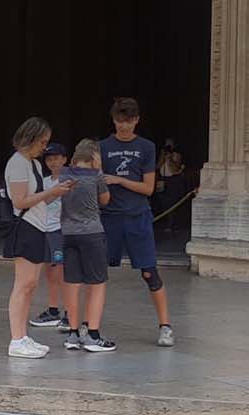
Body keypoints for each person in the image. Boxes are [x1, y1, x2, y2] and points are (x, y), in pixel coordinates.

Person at [99, 98, 175, 347]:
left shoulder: (146, 147)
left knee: (149, 271)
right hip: (110, 217)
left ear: (137, 120)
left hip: (137, 216)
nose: (124, 126)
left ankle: (165, 326)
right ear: (113, 120)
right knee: (96, 271)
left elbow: (148, 188)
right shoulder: (102, 147)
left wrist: (119, 180)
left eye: (129, 121)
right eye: (120, 121)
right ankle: (86, 325)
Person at [2, 119, 75, 359]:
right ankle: (16, 338)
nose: (44, 147)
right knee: (22, 285)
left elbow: (38, 199)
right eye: (42, 142)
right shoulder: (17, 164)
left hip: (37, 226)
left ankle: (22, 336)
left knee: (31, 284)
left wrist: (58, 192)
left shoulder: (31, 163)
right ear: (30, 138)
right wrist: (52, 192)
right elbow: (20, 201)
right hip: (24, 227)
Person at [59, 139, 114, 352]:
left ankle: (73, 334)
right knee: (97, 283)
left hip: (68, 233)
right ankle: (93, 335)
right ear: (93, 158)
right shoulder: (96, 175)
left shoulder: (64, 175)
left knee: (72, 284)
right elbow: (105, 200)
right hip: (91, 233)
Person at [28, 143, 70, 332]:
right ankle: (54, 311)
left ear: (64, 159)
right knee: (50, 274)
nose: (53, 162)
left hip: (59, 231)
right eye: (49, 159)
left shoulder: (69, 180)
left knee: (60, 274)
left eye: (56, 158)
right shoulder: (44, 182)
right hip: (44, 230)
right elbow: (37, 202)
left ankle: (70, 313)